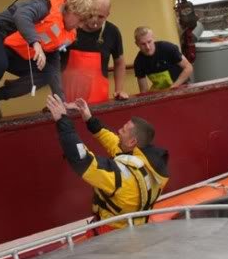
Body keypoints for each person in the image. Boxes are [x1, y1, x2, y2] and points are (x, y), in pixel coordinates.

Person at [0, 0, 92, 130]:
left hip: (14, 49)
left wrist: (62, 101)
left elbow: (54, 67)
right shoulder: (44, 6)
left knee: (45, 73)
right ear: (72, 10)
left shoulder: (66, 33)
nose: (80, 26)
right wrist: (35, 43)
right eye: (80, 20)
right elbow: (22, 15)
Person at [46, 95, 169, 234]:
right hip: (137, 228)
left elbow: (82, 159)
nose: (118, 132)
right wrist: (88, 117)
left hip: (113, 234)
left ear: (132, 142)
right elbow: (111, 140)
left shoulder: (121, 176)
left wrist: (63, 121)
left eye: (122, 131)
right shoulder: (144, 160)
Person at [62, 0, 128, 104]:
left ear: (107, 15)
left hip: (98, 100)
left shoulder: (112, 32)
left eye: (100, 17)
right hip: (67, 99)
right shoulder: (71, 26)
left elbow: (119, 62)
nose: (94, 20)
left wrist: (119, 90)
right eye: (90, 15)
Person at [133, 26, 193, 92]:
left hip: (181, 86)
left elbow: (188, 68)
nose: (147, 47)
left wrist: (174, 87)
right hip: (161, 93)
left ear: (153, 39)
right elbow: (144, 91)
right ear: (137, 44)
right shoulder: (138, 62)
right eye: (143, 44)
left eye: (149, 42)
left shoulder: (167, 48)